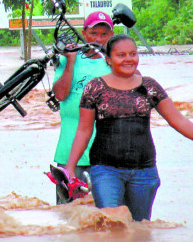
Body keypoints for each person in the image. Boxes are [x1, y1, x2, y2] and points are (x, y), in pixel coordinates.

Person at [65, 34, 193, 221]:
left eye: (133, 54)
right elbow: (84, 131)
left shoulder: (150, 86)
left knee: (140, 228)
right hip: (106, 169)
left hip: (144, 170)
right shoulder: (94, 88)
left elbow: (178, 121)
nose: (128, 59)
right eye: (121, 55)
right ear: (108, 59)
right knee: (111, 223)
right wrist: (70, 167)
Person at [51, 11, 114, 203]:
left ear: (111, 36)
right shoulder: (69, 58)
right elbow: (60, 94)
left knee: (105, 214)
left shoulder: (114, 61)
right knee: (67, 214)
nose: (98, 39)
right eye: (94, 33)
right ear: (84, 33)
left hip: (105, 154)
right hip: (70, 152)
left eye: (104, 34)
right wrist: (70, 61)